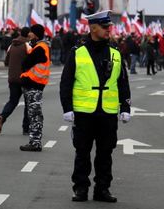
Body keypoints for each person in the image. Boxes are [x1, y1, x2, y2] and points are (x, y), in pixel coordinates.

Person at [59, 10, 131, 203]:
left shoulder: (116, 54)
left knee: (105, 153)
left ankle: (102, 189)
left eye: (109, 27)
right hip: (84, 112)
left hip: (107, 113)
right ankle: (80, 188)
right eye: (105, 27)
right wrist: (67, 108)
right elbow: (66, 82)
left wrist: (125, 107)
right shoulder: (77, 53)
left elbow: (123, 83)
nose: (109, 30)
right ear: (93, 28)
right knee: (82, 152)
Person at [19, 24, 51, 152]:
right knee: (34, 114)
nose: (29, 34)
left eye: (31, 32)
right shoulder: (40, 47)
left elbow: (26, 63)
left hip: (34, 84)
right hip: (35, 84)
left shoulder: (40, 48)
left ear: (36, 34)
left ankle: (35, 142)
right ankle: (34, 141)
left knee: (35, 114)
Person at [0, 26, 31, 135]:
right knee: (28, 103)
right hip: (24, 78)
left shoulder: (12, 45)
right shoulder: (27, 46)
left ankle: (3, 116)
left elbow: (6, 62)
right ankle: (26, 128)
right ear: (28, 35)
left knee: (12, 101)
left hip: (12, 78)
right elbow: (32, 60)